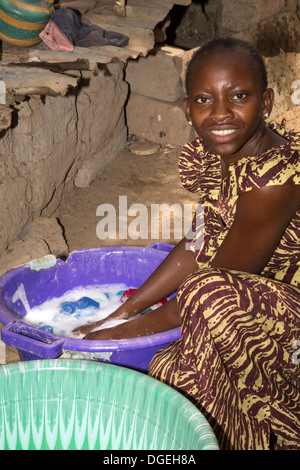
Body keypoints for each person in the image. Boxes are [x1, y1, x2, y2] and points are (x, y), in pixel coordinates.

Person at [74, 38, 300, 450]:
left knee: (202, 296)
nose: (220, 114)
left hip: (291, 337)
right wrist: (123, 312)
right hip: (251, 308)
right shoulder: (230, 153)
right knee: (165, 370)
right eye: (203, 99)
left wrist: (111, 339)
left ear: (265, 103)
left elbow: (217, 284)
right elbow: (200, 239)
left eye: (238, 96)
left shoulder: (273, 180)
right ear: (186, 109)